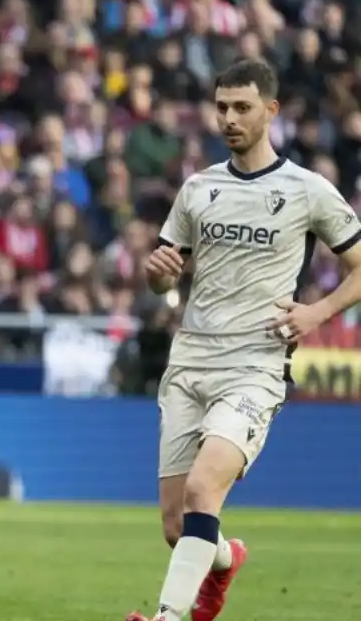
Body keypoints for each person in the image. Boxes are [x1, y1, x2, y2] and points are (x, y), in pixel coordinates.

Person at [130, 58, 361, 621]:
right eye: (222, 108)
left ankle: (165, 617)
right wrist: (158, 273)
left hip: (253, 368)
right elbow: (164, 274)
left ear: (271, 111)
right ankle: (225, 559)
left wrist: (317, 313)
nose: (229, 119)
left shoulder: (306, 190)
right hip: (189, 362)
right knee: (177, 526)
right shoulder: (198, 188)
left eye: (242, 108)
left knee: (202, 492)